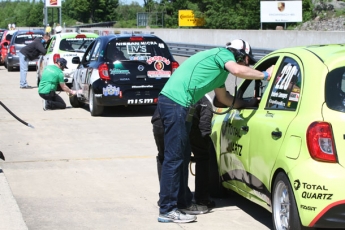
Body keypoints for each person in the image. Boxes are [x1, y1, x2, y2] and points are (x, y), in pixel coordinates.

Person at [156, 39, 274, 223]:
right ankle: (167, 209)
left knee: (182, 156)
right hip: (175, 104)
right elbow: (237, 70)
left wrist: (249, 103)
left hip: (179, 105)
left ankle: (182, 204)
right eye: (245, 60)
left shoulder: (218, 73)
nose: (246, 65)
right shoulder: (222, 54)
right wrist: (266, 74)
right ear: (239, 54)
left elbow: (224, 99)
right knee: (175, 158)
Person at [152, 96, 216, 209]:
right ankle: (202, 198)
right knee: (201, 157)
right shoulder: (205, 100)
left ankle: (165, 196)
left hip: (159, 122)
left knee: (164, 158)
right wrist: (202, 146)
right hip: (183, 123)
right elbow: (204, 128)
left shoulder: (173, 92)